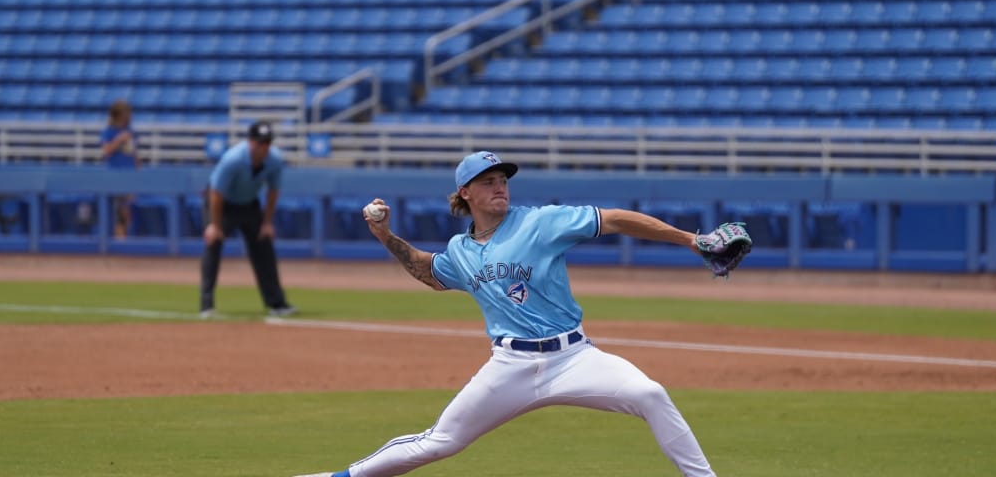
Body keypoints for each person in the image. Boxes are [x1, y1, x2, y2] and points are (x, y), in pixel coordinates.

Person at [294, 151, 720, 477]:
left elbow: (616, 220)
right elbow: (428, 270)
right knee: (439, 442)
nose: (500, 186)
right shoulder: (461, 251)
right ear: (466, 193)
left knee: (650, 394)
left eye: (503, 179)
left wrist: (691, 241)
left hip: (574, 358)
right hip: (510, 366)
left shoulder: (541, 223)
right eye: (488, 181)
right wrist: (385, 235)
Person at [200, 120, 297, 319]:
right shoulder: (233, 159)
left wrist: (267, 222)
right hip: (222, 204)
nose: (264, 147)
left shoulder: (275, 160)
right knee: (214, 244)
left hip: (249, 204)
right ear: (250, 142)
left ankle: (277, 303)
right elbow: (216, 193)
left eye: (267, 143)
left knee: (264, 247)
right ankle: (206, 304)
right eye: (260, 142)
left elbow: (273, 190)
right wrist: (214, 225)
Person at [99, 99, 140, 240]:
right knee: (118, 210)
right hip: (115, 177)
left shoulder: (131, 132)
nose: (129, 116)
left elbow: (134, 153)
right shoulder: (108, 132)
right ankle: (119, 239)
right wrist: (119, 140)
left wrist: (139, 170)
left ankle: (125, 238)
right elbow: (105, 151)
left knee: (128, 210)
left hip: (130, 177)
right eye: (126, 113)